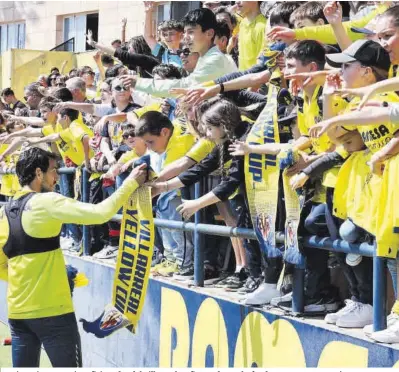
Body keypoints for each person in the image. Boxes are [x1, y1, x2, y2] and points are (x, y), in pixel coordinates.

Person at [0, 147, 147, 367]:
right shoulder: (47, 201)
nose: (57, 175)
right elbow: (100, 214)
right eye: (53, 170)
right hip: (54, 314)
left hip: (18, 313)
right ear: (38, 174)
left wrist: (33, 280)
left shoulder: (4, 211)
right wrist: (131, 183)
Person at [119, 8, 238, 98]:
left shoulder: (214, 60)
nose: (185, 38)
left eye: (191, 32)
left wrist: (138, 83)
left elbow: (185, 86)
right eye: (185, 32)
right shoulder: (206, 57)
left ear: (209, 33)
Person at [135, 111, 195, 277]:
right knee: (163, 221)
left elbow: (167, 175)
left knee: (175, 225)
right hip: (165, 191)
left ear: (164, 132)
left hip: (178, 191)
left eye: (150, 142)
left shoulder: (179, 142)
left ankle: (184, 263)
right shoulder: (161, 143)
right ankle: (171, 260)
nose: (149, 147)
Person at [144, 1, 183, 66]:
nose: (168, 37)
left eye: (171, 34)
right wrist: (148, 12)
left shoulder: (189, 53)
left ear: (181, 35)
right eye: (165, 34)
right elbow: (148, 36)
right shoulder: (162, 53)